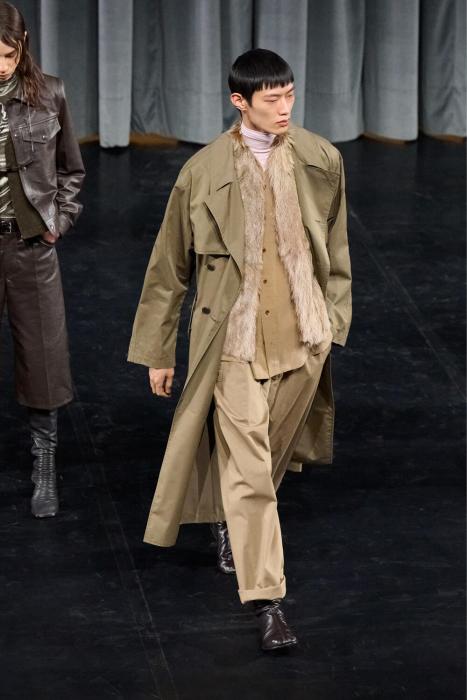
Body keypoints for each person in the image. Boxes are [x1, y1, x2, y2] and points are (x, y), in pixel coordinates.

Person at [128, 48, 351, 652]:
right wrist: (159, 351)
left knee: (265, 463)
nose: (285, 108)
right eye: (272, 99)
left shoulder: (320, 159)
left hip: (303, 341)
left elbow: (336, 250)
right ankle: (268, 602)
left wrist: (332, 325)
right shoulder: (201, 173)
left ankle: (230, 519)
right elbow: (168, 270)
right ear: (239, 102)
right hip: (234, 344)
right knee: (250, 475)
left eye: (290, 96)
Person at [0, 2, 85, 518]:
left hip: (30, 244)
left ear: (23, 44)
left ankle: (45, 465)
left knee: (44, 359)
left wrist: (60, 222)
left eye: (7, 55)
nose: (0, 66)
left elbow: (71, 169)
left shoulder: (49, 92)